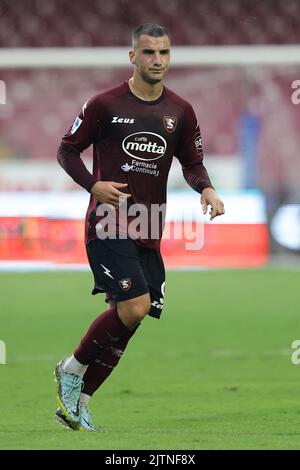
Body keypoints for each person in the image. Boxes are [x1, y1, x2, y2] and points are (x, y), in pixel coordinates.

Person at [55, 23, 225, 432]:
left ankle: (79, 402)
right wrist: (93, 185)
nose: (157, 60)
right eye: (149, 53)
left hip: (150, 225)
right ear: (133, 57)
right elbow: (67, 149)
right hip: (109, 221)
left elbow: (192, 162)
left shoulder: (180, 111)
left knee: (130, 317)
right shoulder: (104, 104)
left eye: (164, 53)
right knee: (136, 306)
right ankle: (71, 368)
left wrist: (207, 189)